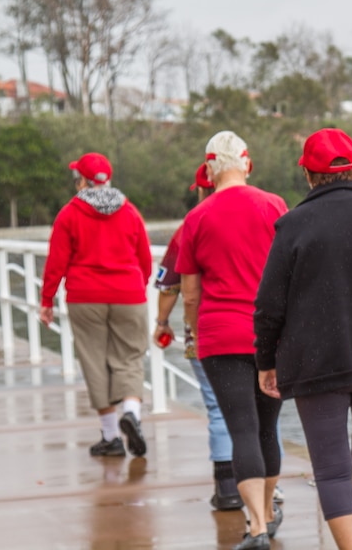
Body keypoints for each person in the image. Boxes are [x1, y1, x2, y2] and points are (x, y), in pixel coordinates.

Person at [255, 128, 352, 550]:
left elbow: (269, 306)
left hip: (315, 364)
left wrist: (267, 361)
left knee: (333, 469)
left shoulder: (293, 224)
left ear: (307, 174)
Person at [176, 131, 288, 550]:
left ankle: (256, 525)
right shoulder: (273, 205)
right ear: (247, 163)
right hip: (271, 337)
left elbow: (189, 291)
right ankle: (271, 510)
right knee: (268, 429)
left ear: (208, 170)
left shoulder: (197, 218)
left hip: (220, 336)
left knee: (241, 428)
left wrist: (192, 328)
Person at [40, 152, 152, 458]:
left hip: (85, 297)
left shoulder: (69, 214)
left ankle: (111, 436)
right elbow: (144, 257)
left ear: (81, 182)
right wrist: (135, 287)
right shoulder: (129, 211)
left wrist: (46, 299)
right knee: (129, 357)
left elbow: (56, 262)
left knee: (94, 360)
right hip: (128, 293)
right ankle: (132, 412)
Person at [152, 162, 243, 511]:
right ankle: (268, 486)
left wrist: (162, 322)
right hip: (255, 329)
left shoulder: (190, 227)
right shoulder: (259, 213)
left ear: (203, 189)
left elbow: (169, 285)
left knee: (218, 408)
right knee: (264, 411)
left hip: (207, 330)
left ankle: (227, 488)